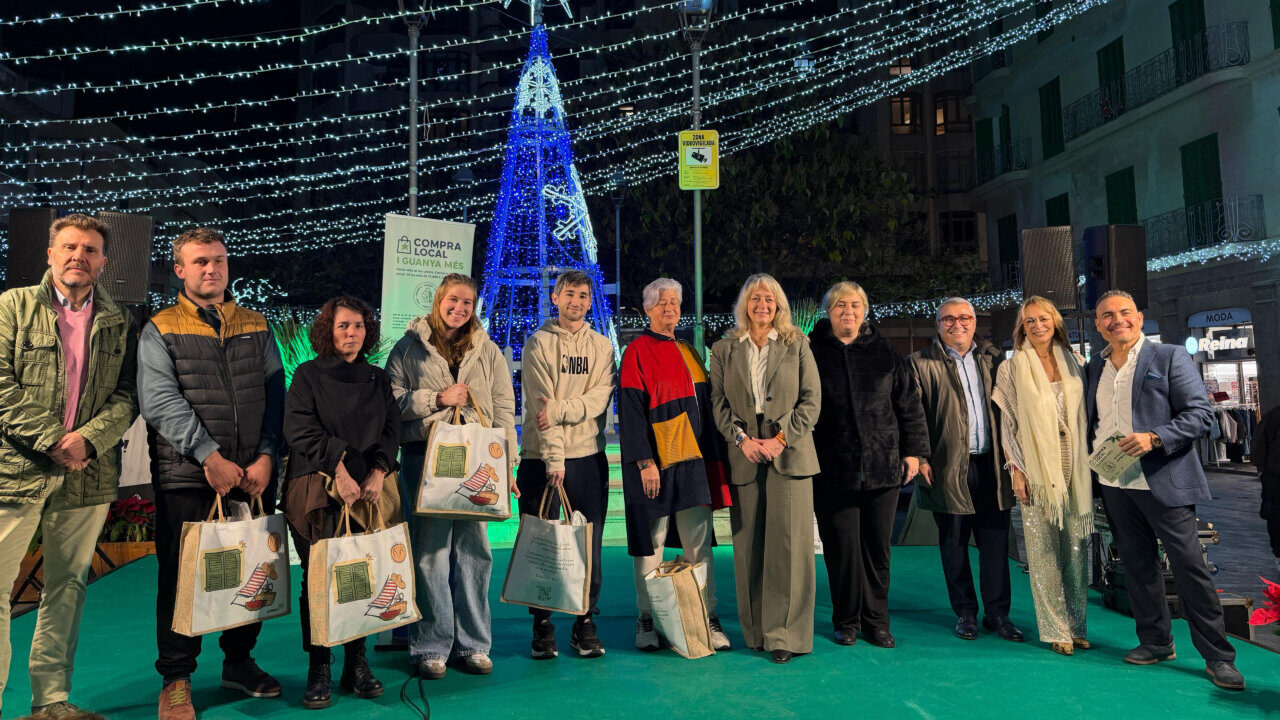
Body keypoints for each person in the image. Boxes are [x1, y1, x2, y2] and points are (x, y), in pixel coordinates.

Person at [138, 227, 285, 720]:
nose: (211, 269)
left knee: (250, 573)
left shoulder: (256, 324)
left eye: (219, 261)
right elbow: (159, 401)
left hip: (252, 475)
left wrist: (267, 456)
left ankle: (239, 662)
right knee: (182, 581)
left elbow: (275, 398)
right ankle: (176, 679)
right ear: (179, 269)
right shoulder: (160, 327)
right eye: (200, 261)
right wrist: (207, 455)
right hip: (188, 476)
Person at [0, 214, 138, 719]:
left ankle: (51, 703)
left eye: (90, 249)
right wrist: (55, 439)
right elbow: (0, 387)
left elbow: (128, 395)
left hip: (88, 475)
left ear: (103, 262)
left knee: (67, 588)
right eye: (70, 246)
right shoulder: (12, 307)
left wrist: (89, 441)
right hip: (15, 471)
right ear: (50, 255)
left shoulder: (120, 319)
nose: (79, 255)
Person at [1087, 289, 1244, 690]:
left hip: (1164, 480)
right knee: (1138, 568)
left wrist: (1155, 437)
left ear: (1139, 318)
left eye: (1124, 313)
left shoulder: (1169, 356)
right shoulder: (1094, 368)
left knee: (1191, 569)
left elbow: (1200, 415)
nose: (1116, 320)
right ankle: (1156, 642)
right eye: (1107, 315)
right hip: (1114, 484)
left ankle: (1218, 657)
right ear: (1097, 324)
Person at [386, 273, 516, 680]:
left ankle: (475, 644)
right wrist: (438, 399)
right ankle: (430, 645)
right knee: (431, 556)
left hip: (478, 462)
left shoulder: (488, 349)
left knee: (476, 554)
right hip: (425, 460)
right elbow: (391, 403)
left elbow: (504, 408)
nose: (460, 308)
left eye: (467, 302)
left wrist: (506, 464)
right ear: (439, 299)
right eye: (453, 300)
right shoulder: (408, 348)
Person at [282, 296, 400, 709]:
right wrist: (340, 468)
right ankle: (319, 666)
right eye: (343, 326)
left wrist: (380, 470)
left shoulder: (378, 378)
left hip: (367, 490)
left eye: (358, 326)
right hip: (317, 490)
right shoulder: (308, 375)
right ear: (328, 332)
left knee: (362, 575)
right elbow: (298, 429)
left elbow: (390, 429)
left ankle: (357, 662)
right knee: (318, 579)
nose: (351, 333)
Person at [808, 281, 929, 649]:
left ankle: (877, 621)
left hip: (883, 468)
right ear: (828, 312)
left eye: (856, 304)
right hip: (832, 470)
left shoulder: (884, 350)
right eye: (841, 305)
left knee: (878, 551)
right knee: (841, 552)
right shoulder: (810, 352)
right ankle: (846, 620)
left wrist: (914, 452)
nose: (849, 311)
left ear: (865, 311)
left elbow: (909, 403)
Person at [708, 274, 820, 664]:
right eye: (755, 298)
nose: (761, 305)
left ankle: (784, 635)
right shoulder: (723, 349)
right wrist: (743, 440)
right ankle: (755, 632)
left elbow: (811, 401)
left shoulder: (798, 344)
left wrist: (779, 439)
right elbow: (718, 404)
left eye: (768, 299)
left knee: (788, 550)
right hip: (745, 454)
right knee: (749, 548)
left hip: (788, 455)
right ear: (744, 304)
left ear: (778, 305)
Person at [619, 278, 731, 652]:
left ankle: (704, 615)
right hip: (656, 464)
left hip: (693, 462)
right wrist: (644, 461)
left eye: (675, 303)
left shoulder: (689, 350)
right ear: (648, 309)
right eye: (661, 303)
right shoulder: (636, 350)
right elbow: (632, 410)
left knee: (698, 544)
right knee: (650, 544)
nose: (670, 308)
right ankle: (647, 617)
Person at [907, 297, 1021, 644]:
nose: (957, 324)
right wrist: (920, 456)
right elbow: (912, 415)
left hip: (991, 465)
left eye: (965, 318)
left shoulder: (995, 359)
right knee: (953, 544)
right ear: (937, 325)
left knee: (995, 544)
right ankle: (966, 614)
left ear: (975, 322)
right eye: (949, 319)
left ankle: (998, 615)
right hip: (946, 466)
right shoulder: (919, 363)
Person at [518, 271, 615, 660]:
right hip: (542, 459)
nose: (576, 301)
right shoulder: (538, 344)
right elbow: (542, 408)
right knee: (541, 544)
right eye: (569, 294)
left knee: (588, 546)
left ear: (590, 302)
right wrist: (554, 459)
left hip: (588, 457)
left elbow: (598, 400)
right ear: (555, 298)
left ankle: (584, 621)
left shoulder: (602, 346)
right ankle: (542, 623)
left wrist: (562, 408)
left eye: (583, 295)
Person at [990, 296, 1092, 655]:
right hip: (1035, 466)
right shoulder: (1012, 367)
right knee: (1043, 550)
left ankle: (1078, 624)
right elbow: (1009, 425)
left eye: (1043, 319)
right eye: (1029, 321)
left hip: (1074, 463)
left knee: (1077, 549)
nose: (1037, 326)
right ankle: (1055, 628)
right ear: (1021, 327)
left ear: (1055, 322)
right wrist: (1016, 470)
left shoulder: (1076, 362)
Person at [1254, 404, 1280, 574]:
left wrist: (1262, 469)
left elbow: (1259, 442)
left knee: (1275, 515)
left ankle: (1278, 553)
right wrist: (1262, 469)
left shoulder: (1273, 415)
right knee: (1275, 515)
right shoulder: (1274, 415)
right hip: (1275, 475)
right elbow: (1259, 442)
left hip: (1274, 474)